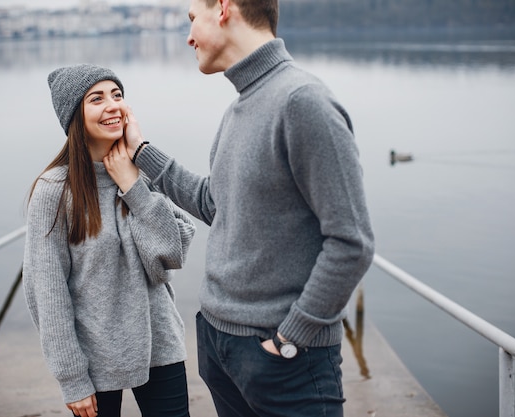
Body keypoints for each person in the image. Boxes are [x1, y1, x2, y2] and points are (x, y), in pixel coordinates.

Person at [123, 0, 376, 416]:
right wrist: (141, 152)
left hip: (285, 360)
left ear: (223, 8)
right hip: (221, 346)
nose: (188, 37)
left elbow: (352, 243)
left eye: (192, 19)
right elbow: (214, 203)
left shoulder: (302, 101)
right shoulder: (239, 107)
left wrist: (291, 337)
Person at [23, 64, 196, 417]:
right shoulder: (55, 191)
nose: (113, 105)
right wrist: (72, 378)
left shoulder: (138, 173)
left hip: (159, 344)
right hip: (94, 357)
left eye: (117, 95)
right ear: (75, 115)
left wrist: (133, 185)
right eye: (97, 99)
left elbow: (171, 252)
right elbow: (48, 292)